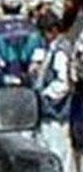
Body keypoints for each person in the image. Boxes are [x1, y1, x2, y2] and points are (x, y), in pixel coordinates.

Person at [32, 11, 74, 171]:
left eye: (46, 32)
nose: (44, 36)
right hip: (50, 114)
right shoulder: (51, 48)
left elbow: (63, 83)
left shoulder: (61, 51)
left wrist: (45, 96)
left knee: (58, 155)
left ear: (54, 30)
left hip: (57, 116)